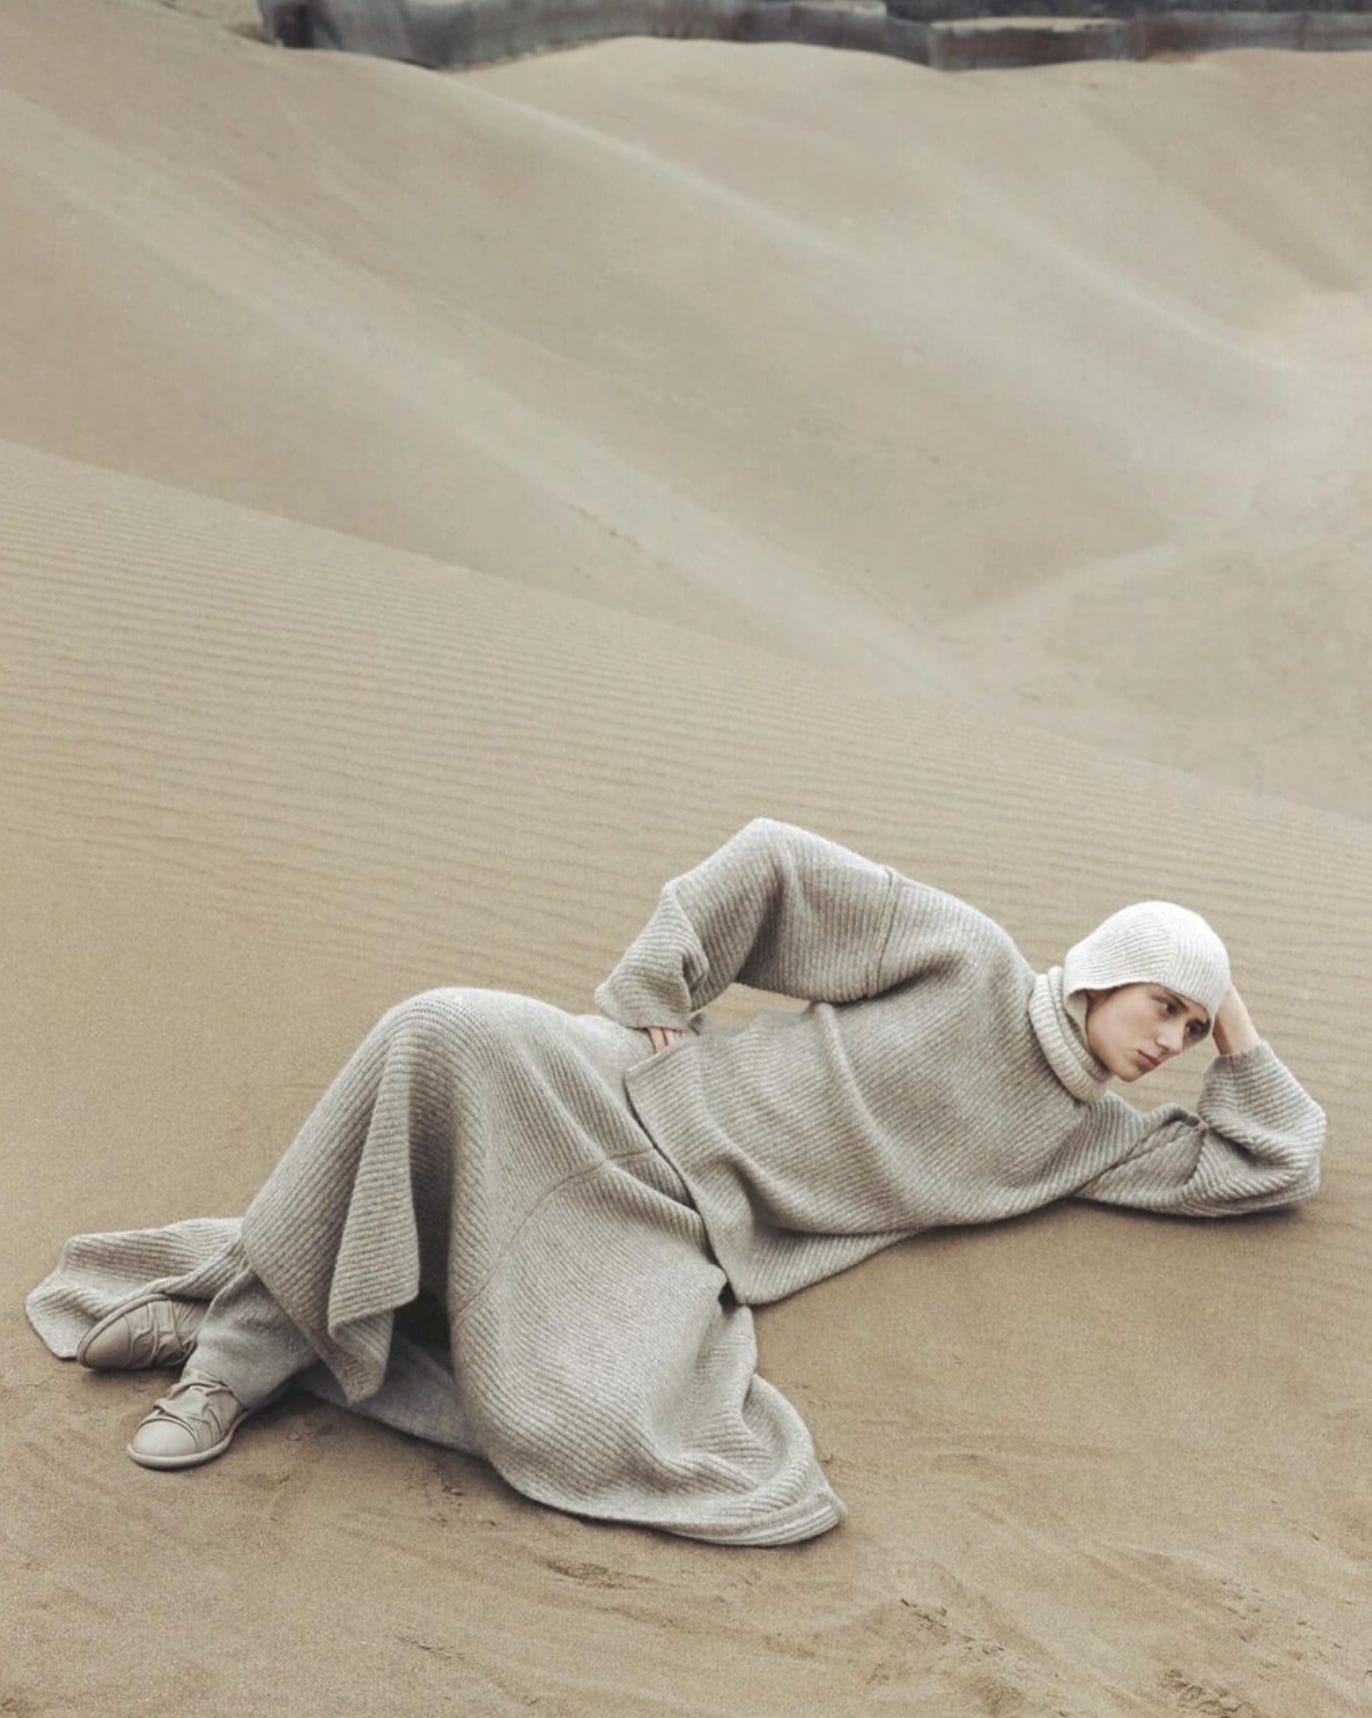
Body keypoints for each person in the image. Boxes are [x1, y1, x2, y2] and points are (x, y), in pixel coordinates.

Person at [26, 818, 1326, 1546]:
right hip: (625, 1087)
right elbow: (768, 865)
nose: (1170, 1043)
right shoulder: (966, 956)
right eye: (1165, 1005)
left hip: (686, 1230)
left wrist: (1239, 1022)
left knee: (586, 1422)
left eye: (1189, 1031)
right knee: (433, 1032)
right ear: (1104, 969)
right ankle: (229, 1362)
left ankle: (254, 1309)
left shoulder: (1087, 1138)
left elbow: (1271, 1156)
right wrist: (661, 985)